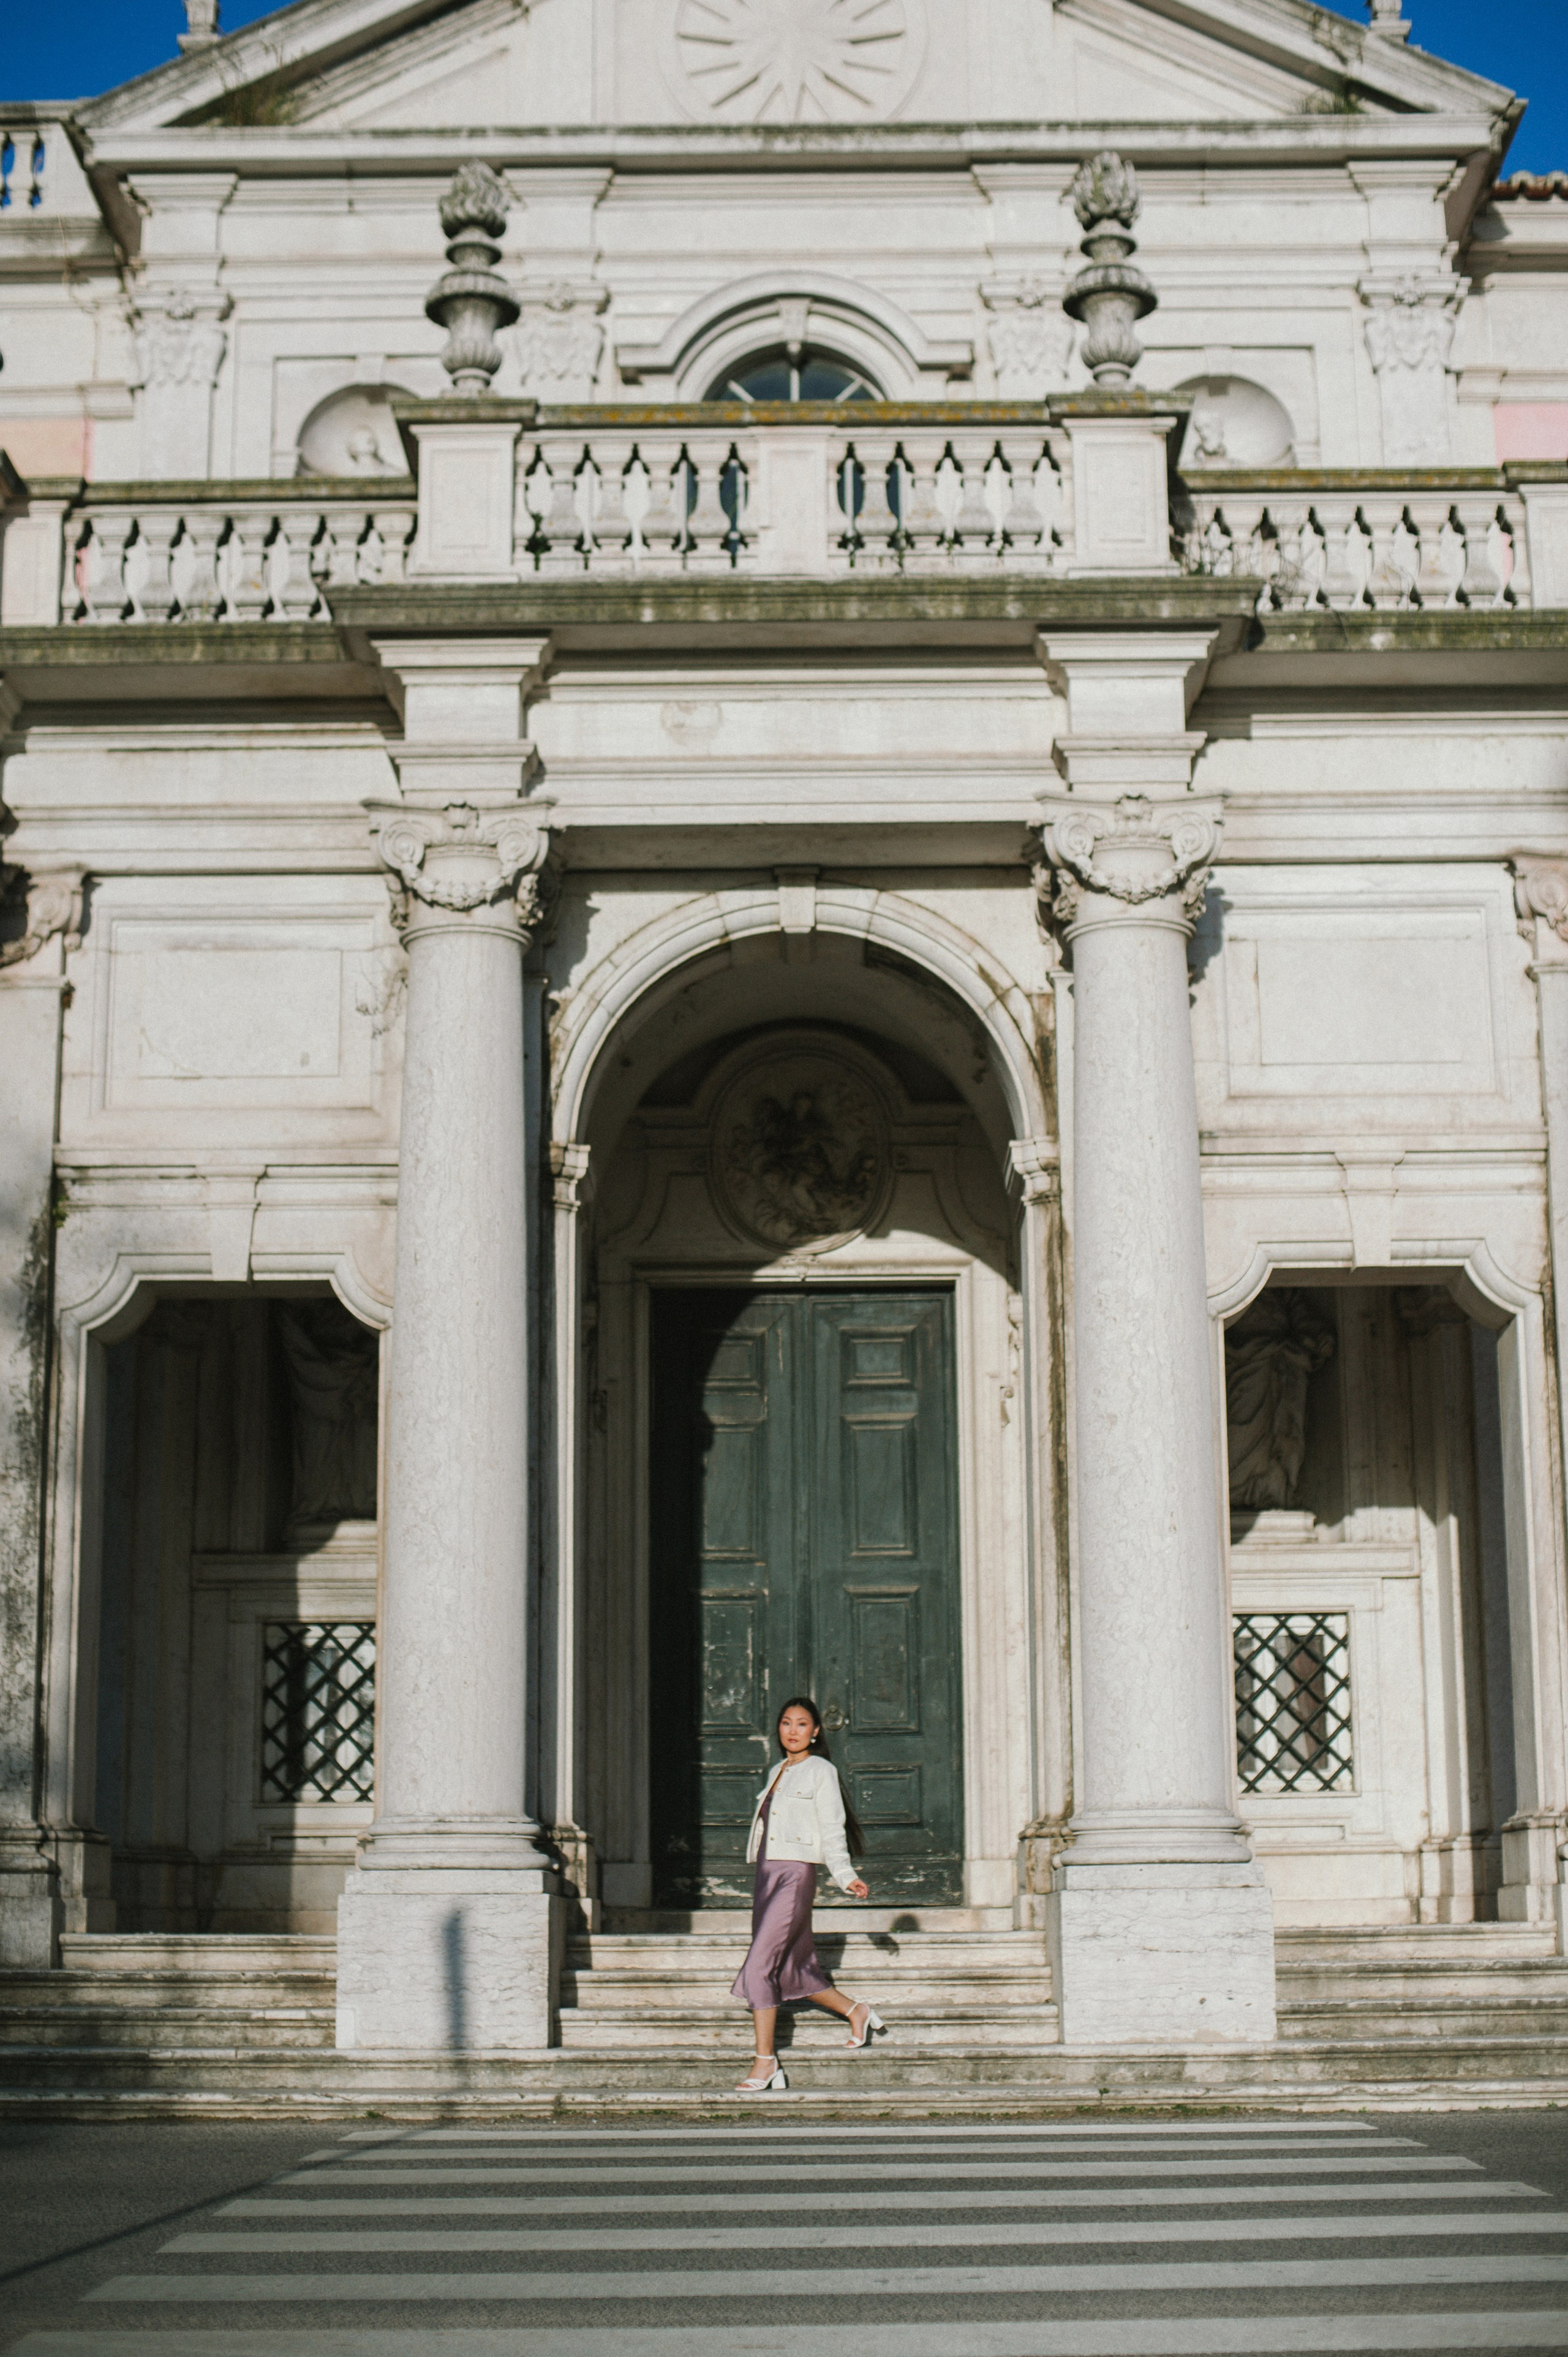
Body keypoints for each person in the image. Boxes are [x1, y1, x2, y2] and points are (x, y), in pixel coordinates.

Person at [731, 1695, 884, 2094]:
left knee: (759, 1965)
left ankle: (766, 2062)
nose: (793, 1731)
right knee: (791, 1968)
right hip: (766, 1875)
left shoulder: (821, 1771)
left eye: (802, 1724)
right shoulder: (776, 1770)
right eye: (786, 1723)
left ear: (816, 1731)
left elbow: (832, 1828)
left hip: (795, 1875)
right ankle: (856, 2010)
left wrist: (845, 1875)